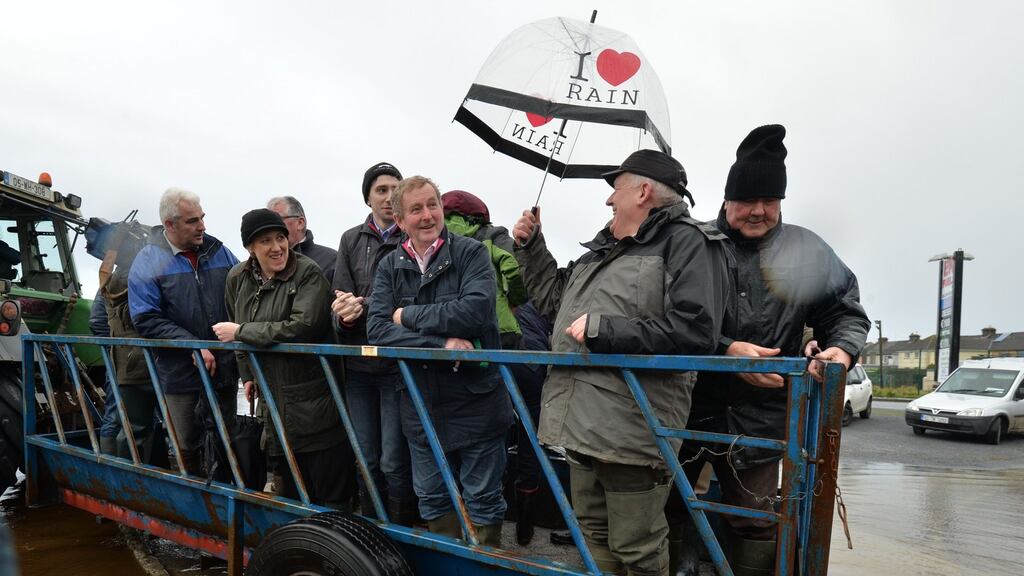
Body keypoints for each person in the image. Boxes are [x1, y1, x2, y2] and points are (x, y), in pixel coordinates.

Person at [511, 149, 731, 575]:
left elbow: (695, 332)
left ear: (644, 192)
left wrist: (604, 330)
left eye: (616, 189)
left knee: (638, 547)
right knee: (592, 533)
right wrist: (532, 247)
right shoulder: (603, 249)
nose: (609, 200)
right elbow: (557, 304)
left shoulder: (690, 243)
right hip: (580, 423)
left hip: (632, 430)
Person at [670, 125, 870, 576]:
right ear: (726, 200)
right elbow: (666, 319)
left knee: (757, 520)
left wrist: (841, 349)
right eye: (747, 201)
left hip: (761, 414)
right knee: (671, 505)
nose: (759, 211)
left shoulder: (806, 248)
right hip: (686, 404)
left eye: (771, 201)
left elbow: (845, 310)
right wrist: (725, 353)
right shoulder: (694, 243)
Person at [367, 176, 513, 548]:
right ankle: (449, 562)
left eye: (433, 204)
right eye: (416, 209)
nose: (428, 215)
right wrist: (440, 341)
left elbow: (475, 312)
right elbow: (378, 330)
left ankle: (484, 566)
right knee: (431, 496)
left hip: (475, 397)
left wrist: (407, 315)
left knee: (483, 497)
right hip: (420, 402)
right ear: (400, 220)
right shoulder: (389, 266)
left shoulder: (471, 253)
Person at [212, 209, 355, 507]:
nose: (277, 247)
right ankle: (297, 549)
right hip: (272, 399)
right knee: (289, 491)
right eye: (266, 240)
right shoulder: (237, 278)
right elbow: (236, 323)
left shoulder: (307, 272)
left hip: (313, 396)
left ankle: (334, 549)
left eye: (280, 237)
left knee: (329, 492)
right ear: (250, 247)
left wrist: (242, 332)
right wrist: (248, 374)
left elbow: (302, 327)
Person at [128, 188, 239, 476]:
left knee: (227, 439)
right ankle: (190, 504)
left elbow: (245, 295)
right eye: (192, 221)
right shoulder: (148, 261)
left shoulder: (221, 252)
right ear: (170, 225)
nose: (202, 226)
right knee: (185, 443)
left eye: (202, 218)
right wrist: (191, 345)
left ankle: (225, 506)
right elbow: (145, 318)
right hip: (179, 374)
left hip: (223, 369)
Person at [331, 161, 418, 524]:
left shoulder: (412, 238)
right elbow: (339, 291)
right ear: (367, 197)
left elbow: (409, 298)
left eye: (395, 190)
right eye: (381, 190)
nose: (388, 197)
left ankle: (399, 531)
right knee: (365, 455)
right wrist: (343, 311)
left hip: (395, 365)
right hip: (359, 366)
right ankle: (371, 532)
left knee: (394, 459)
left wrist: (362, 304)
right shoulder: (351, 239)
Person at [100, 221, 159, 462]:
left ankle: (112, 469)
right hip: (139, 361)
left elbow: (97, 321)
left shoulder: (111, 280)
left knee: (124, 420)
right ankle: (130, 476)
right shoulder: (134, 277)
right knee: (137, 427)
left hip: (122, 359)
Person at [441, 190, 528, 350]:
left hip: (449, 331)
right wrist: (517, 299)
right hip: (499, 327)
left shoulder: (432, 237)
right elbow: (514, 269)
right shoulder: (493, 236)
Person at [267, 196, 338, 284]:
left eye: (278, 220)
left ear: (300, 223)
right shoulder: (260, 263)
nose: (271, 227)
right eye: (268, 222)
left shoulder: (331, 260)